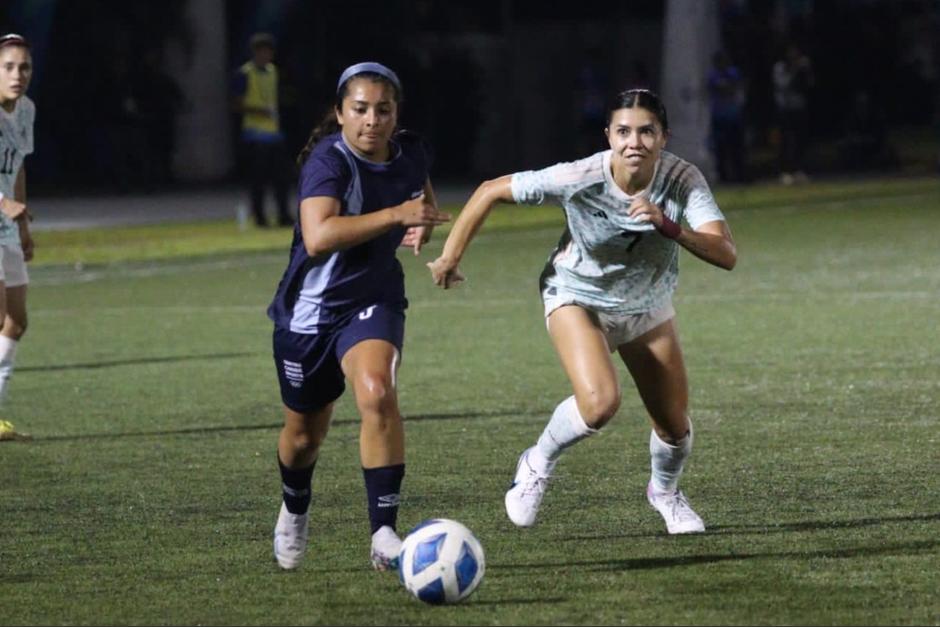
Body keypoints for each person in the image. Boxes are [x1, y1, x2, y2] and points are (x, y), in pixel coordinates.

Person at [428, 88, 737, 535]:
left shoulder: (682, 180)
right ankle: (537, 462)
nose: (635, 142)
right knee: (600, 403)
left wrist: (667, 224)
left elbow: (725, 253)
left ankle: (665, 494)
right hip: (577, 294)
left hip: (646, 305)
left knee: (674, 429)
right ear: (608, 135)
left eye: (646, 131)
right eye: (624, 131)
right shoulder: (580, 176)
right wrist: (450, 256)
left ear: (664, 137)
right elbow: (490, 190)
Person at [267, 62, 450, 570]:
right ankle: (295, 506)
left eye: (383, 109)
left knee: (377, 390)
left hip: (373, 298)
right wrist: (396, 217)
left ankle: (384, 532)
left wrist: (422, 227)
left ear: (396, 114)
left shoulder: (411, 150)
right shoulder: (329, 161)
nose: (372, 119)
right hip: (310, 313)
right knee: (304, 437)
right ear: (340, 113)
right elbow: (319, 236)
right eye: (361, 109)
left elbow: (420, 195)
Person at [0, 34, 35, 443]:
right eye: (9, 66)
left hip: (7, 227)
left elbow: (20, 166)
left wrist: (22, 223)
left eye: (24, 67)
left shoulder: (26, 110)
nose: (17, 74)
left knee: (16, 320)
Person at [232, 32, 294, 227]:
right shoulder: (245, 73)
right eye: (262, 52)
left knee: (281, 177)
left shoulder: (273, 71)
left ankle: (284, 215)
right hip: (254, 132)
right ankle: (260, 217)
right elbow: (236, 104)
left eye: (269, 52)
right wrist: (260, 110)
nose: (266, 55)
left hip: (274, 132)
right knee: (258, 179)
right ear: (255, 53)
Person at [772, 42, 814, 185]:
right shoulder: (780, 68)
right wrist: (795, 69)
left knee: (800, 140)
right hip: (785, 108)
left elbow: (809, 85)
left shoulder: (802, 67)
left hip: (799, 107)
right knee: (786, 142)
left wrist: (805, 70)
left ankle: (799, 170)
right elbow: (783, 85)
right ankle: (785, 172)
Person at [707, 50, 748, 183]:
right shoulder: (713, 76)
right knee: (721, 149)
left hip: (733, 115)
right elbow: (716, 88)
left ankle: (740, 175)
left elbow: (736, 87)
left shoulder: (733, 73)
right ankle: (723, 177)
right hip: (719, 116)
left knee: (736, 147)